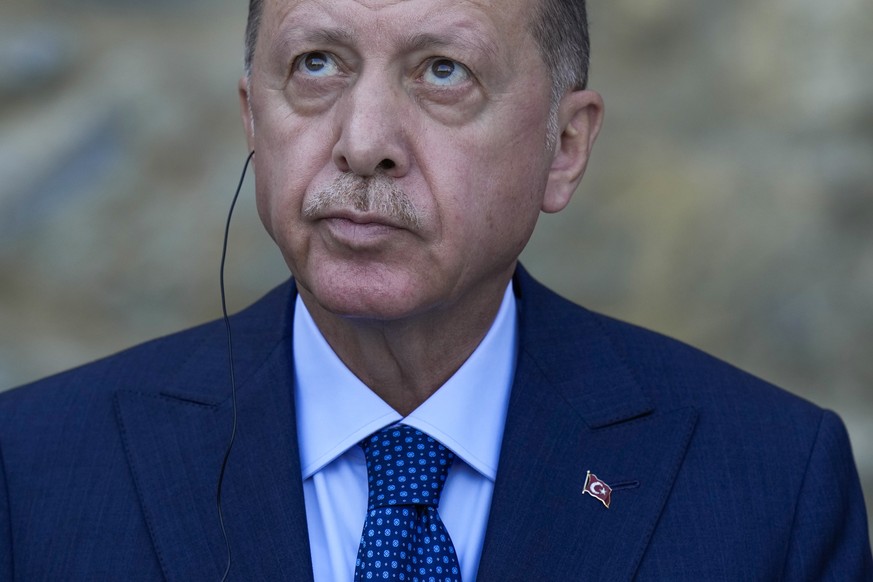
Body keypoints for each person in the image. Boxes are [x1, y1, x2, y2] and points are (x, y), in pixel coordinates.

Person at [1, 0, 871, 579]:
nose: (363, 141)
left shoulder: (767, 487)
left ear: (562, 147)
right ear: (251, 118)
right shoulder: (35, 468)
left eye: (442, 71)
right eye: (315, 63)